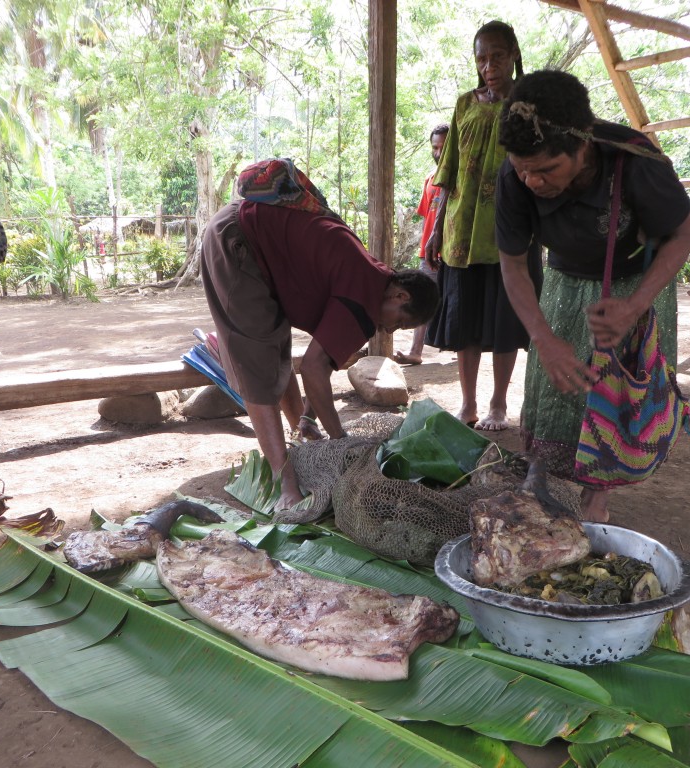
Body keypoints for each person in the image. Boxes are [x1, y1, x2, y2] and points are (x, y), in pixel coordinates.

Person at [496, 70, 690, 522]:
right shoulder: (517, 173)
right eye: (522, 169)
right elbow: (513, 263)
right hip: (564, 283)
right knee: (556, 389)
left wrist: (634, 305)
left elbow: (684, 233)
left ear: (582, 146)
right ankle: (543, 477)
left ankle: (596, 493)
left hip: (633, 285)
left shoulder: (636, 161)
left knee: (614, 391)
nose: (531, 181)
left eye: (546, 170)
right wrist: (542, 338)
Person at [201, 159, 440, 512]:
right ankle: (286, 484)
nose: (391, 331)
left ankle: (299, 438)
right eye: (400, 323)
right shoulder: (364, 300)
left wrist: (310, 419)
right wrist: (340, 441)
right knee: (258, 367)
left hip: (253, 231)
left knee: (274, 350)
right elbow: (313, 369)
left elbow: (320, 364)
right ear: (400, 296)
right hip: (237, 240)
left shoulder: (373, 279)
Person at [424, 20, 542, 432]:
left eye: (496, 56)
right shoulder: (463, 104)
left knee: (504, 323)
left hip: (509, 233)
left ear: (513, 56)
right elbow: (448, 170)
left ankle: (498, 403)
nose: (488, 65)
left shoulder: (529, 106)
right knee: (466, 323)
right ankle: (469, 403)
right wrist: (437, 227)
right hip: (461, 232)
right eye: (481, 58)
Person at [392, 123, 448, 366]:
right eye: (434, 147)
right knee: (423, 297)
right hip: (429, 253)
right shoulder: (430, 180)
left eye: (443, 147)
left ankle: (459, 345)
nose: (438, 153)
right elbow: (428, 218)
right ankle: (416, 351)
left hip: (455, 252)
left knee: (456, 299)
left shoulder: (459, 181)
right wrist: (425, 246)